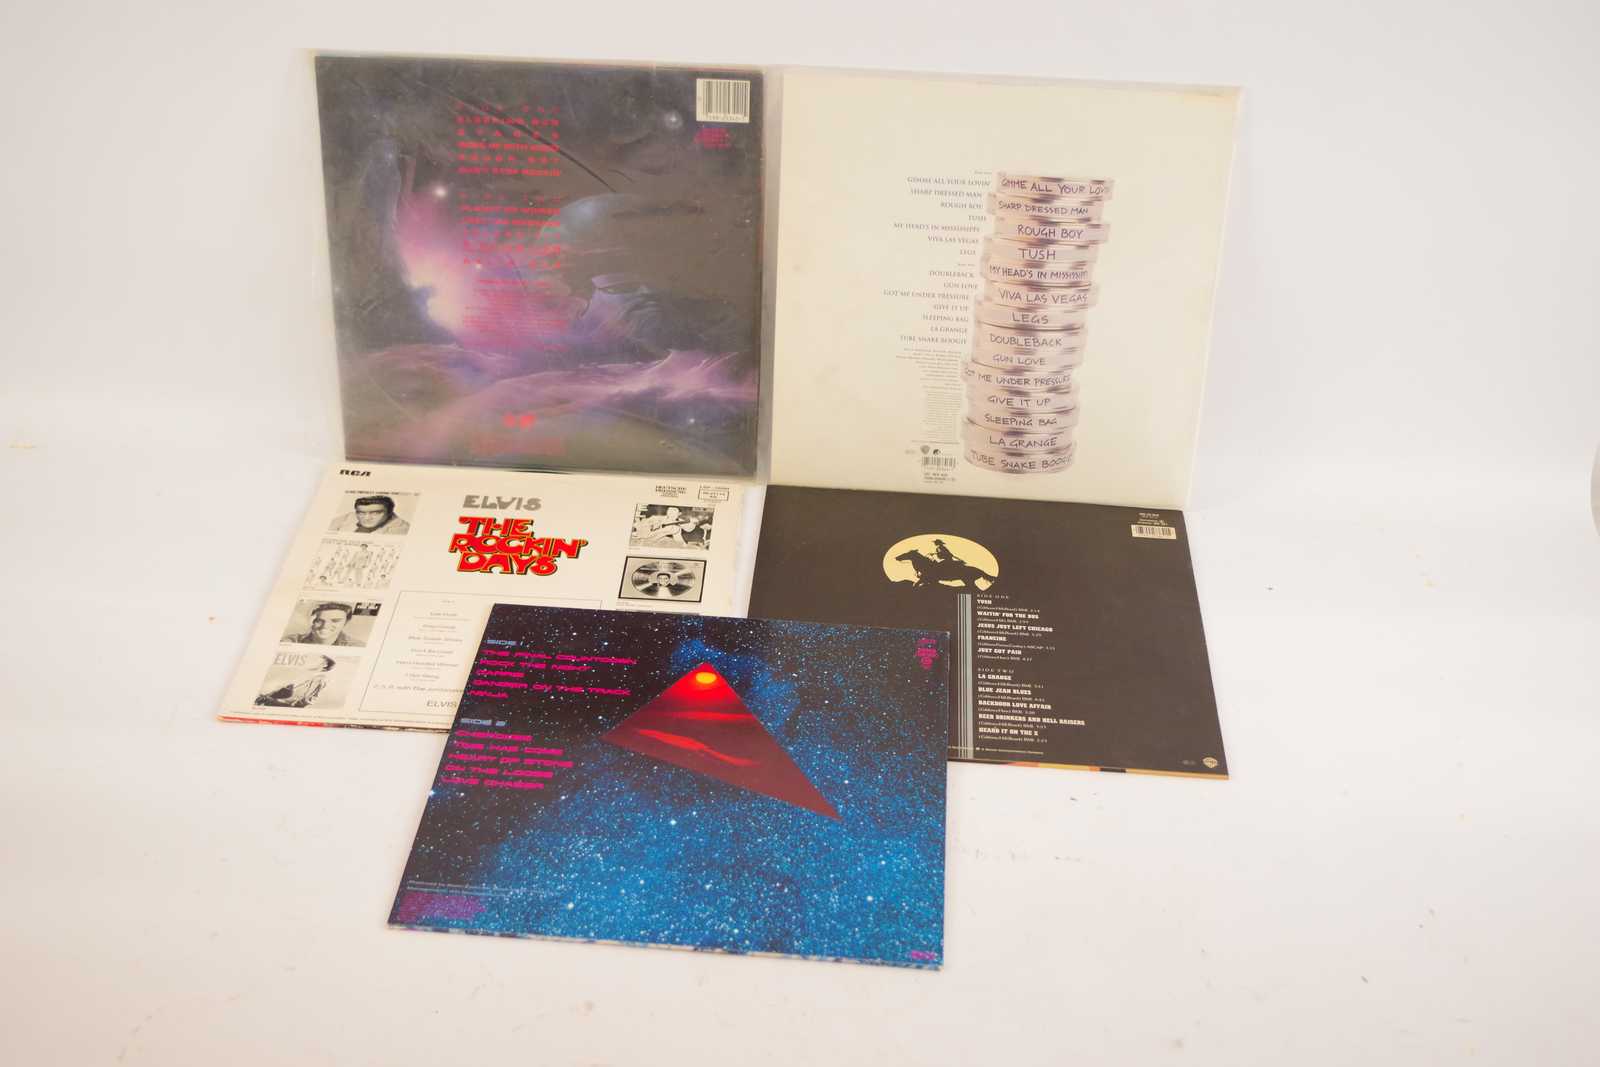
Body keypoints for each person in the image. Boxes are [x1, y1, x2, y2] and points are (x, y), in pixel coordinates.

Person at [255, 655, 337, 708]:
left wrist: (271, 700)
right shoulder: (306, 674)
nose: (312, 660)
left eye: (317, 659)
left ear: (325, 664)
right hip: (277, 700)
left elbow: (305, 700)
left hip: (285, 704)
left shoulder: (319, 679)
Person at [284, 603, 360, 647]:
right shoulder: (291, 641)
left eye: (335, 621)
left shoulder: (357, 645)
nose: (325, 626)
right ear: (312, 621)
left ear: (345, 623)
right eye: (319, 620)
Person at [328, 495, 410, 535]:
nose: (367, 518)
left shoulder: (403, 530)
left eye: (375, 513)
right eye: (361, 513)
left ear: (389, 513)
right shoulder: (347, 517)